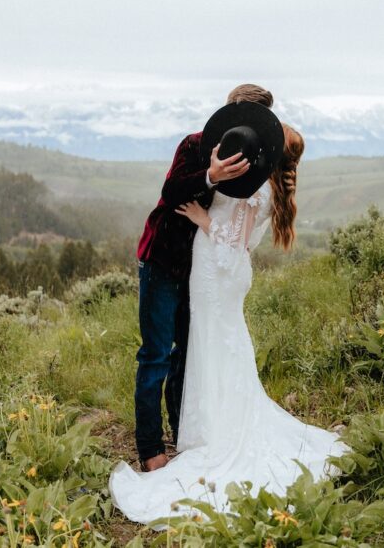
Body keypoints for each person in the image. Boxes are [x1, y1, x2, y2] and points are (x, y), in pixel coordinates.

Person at [111, 116, 348, 526]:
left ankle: (211, 433)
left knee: (207, 346)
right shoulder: (231, 164)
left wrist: (204, 221)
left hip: (214, 271)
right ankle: (192, 432)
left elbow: (234, 245)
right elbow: (185, 199)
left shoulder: (255, 186)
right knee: (203, 347)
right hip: (204, 271)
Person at [132, 84, 274, 473]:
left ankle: (184, 435)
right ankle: (150, 448)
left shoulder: (254, 163)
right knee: (156, 355)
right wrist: (210, 176)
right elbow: (171, 192)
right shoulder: (194, 145)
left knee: (184, 354)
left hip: (199, 273)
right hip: (161, 261)